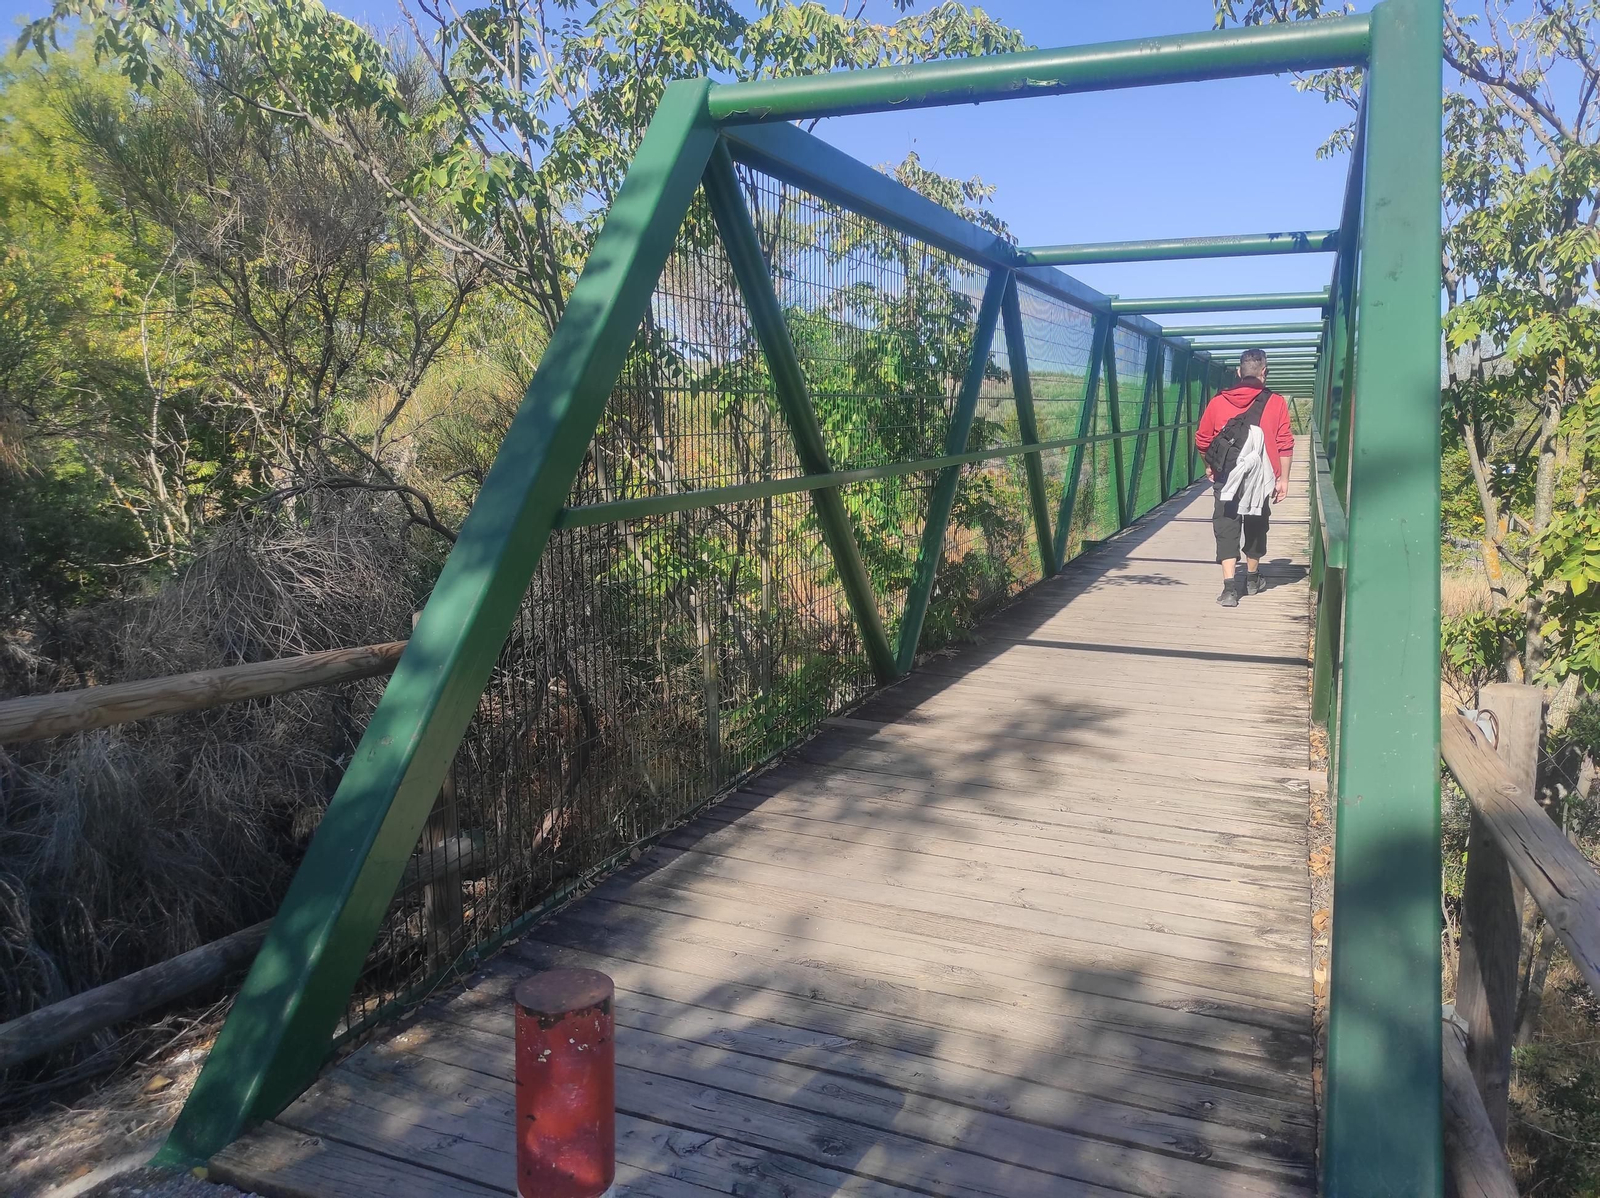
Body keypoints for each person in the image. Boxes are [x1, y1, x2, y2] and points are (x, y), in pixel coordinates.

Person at [1194, 348, 1294, 608]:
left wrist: (1210, 465)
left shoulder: (1218, 402)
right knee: (1256, 524)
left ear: (1238, 373)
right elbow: (1284, 442)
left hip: (1226, 476)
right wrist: (1283, 479)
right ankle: (1251, 578)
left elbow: (1202, 440)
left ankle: (1229, 589)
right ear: (1265, 373)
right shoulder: (1276, 402)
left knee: (1226, 525)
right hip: (1259, 478)